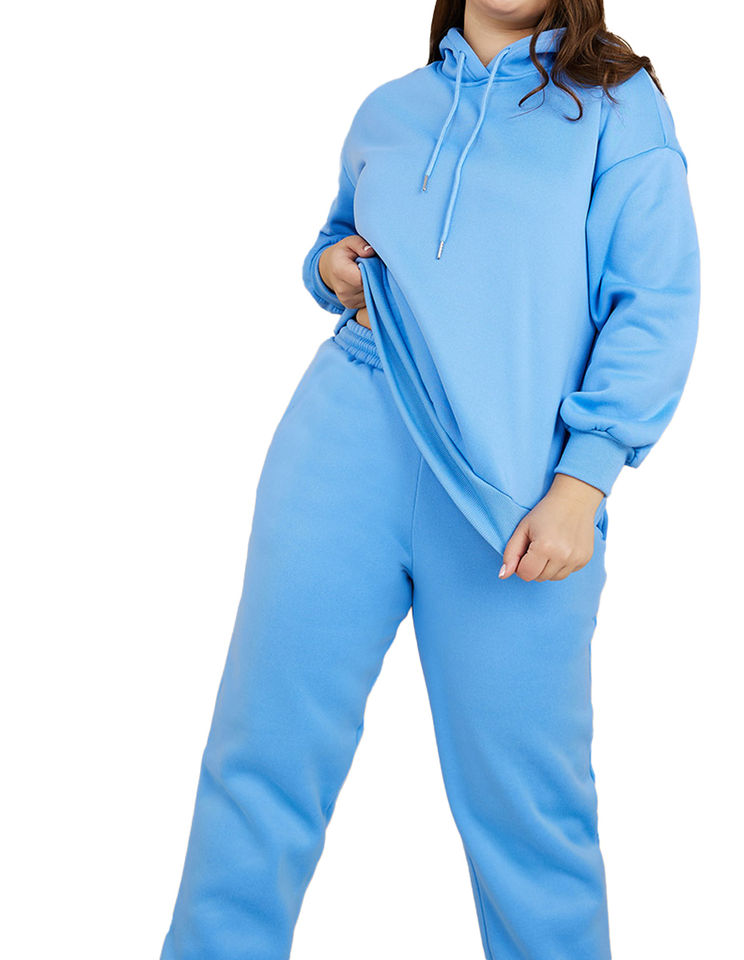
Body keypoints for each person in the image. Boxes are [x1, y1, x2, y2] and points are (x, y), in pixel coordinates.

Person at [159, 2, 699, 958]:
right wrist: (327, 265)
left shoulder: (618, 108)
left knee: (528, 807)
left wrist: (584, 482)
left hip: (514, 495)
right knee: (264, 759)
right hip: (343, 443)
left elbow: (655, 304)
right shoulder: (391, 107)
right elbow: (338, 238)